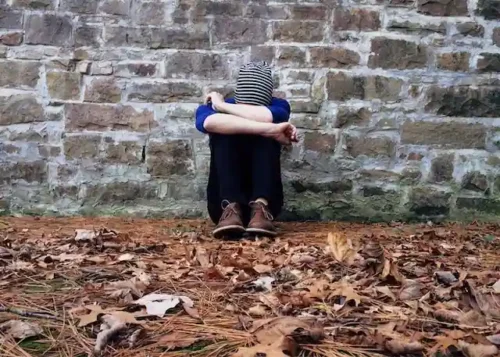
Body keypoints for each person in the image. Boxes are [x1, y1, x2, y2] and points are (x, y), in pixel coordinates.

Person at [195, 61, 298, 238]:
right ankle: (232, 207)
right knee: (224, 131)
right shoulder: (208, 108)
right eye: (245, 105)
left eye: (255, 107)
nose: (249, 110)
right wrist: (272, 130)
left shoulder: (280, 106)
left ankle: (260, 207)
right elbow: (208, 123)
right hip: (221, 204)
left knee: (265, 131)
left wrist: (222, 107)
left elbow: (266, 117)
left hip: (267, 203)